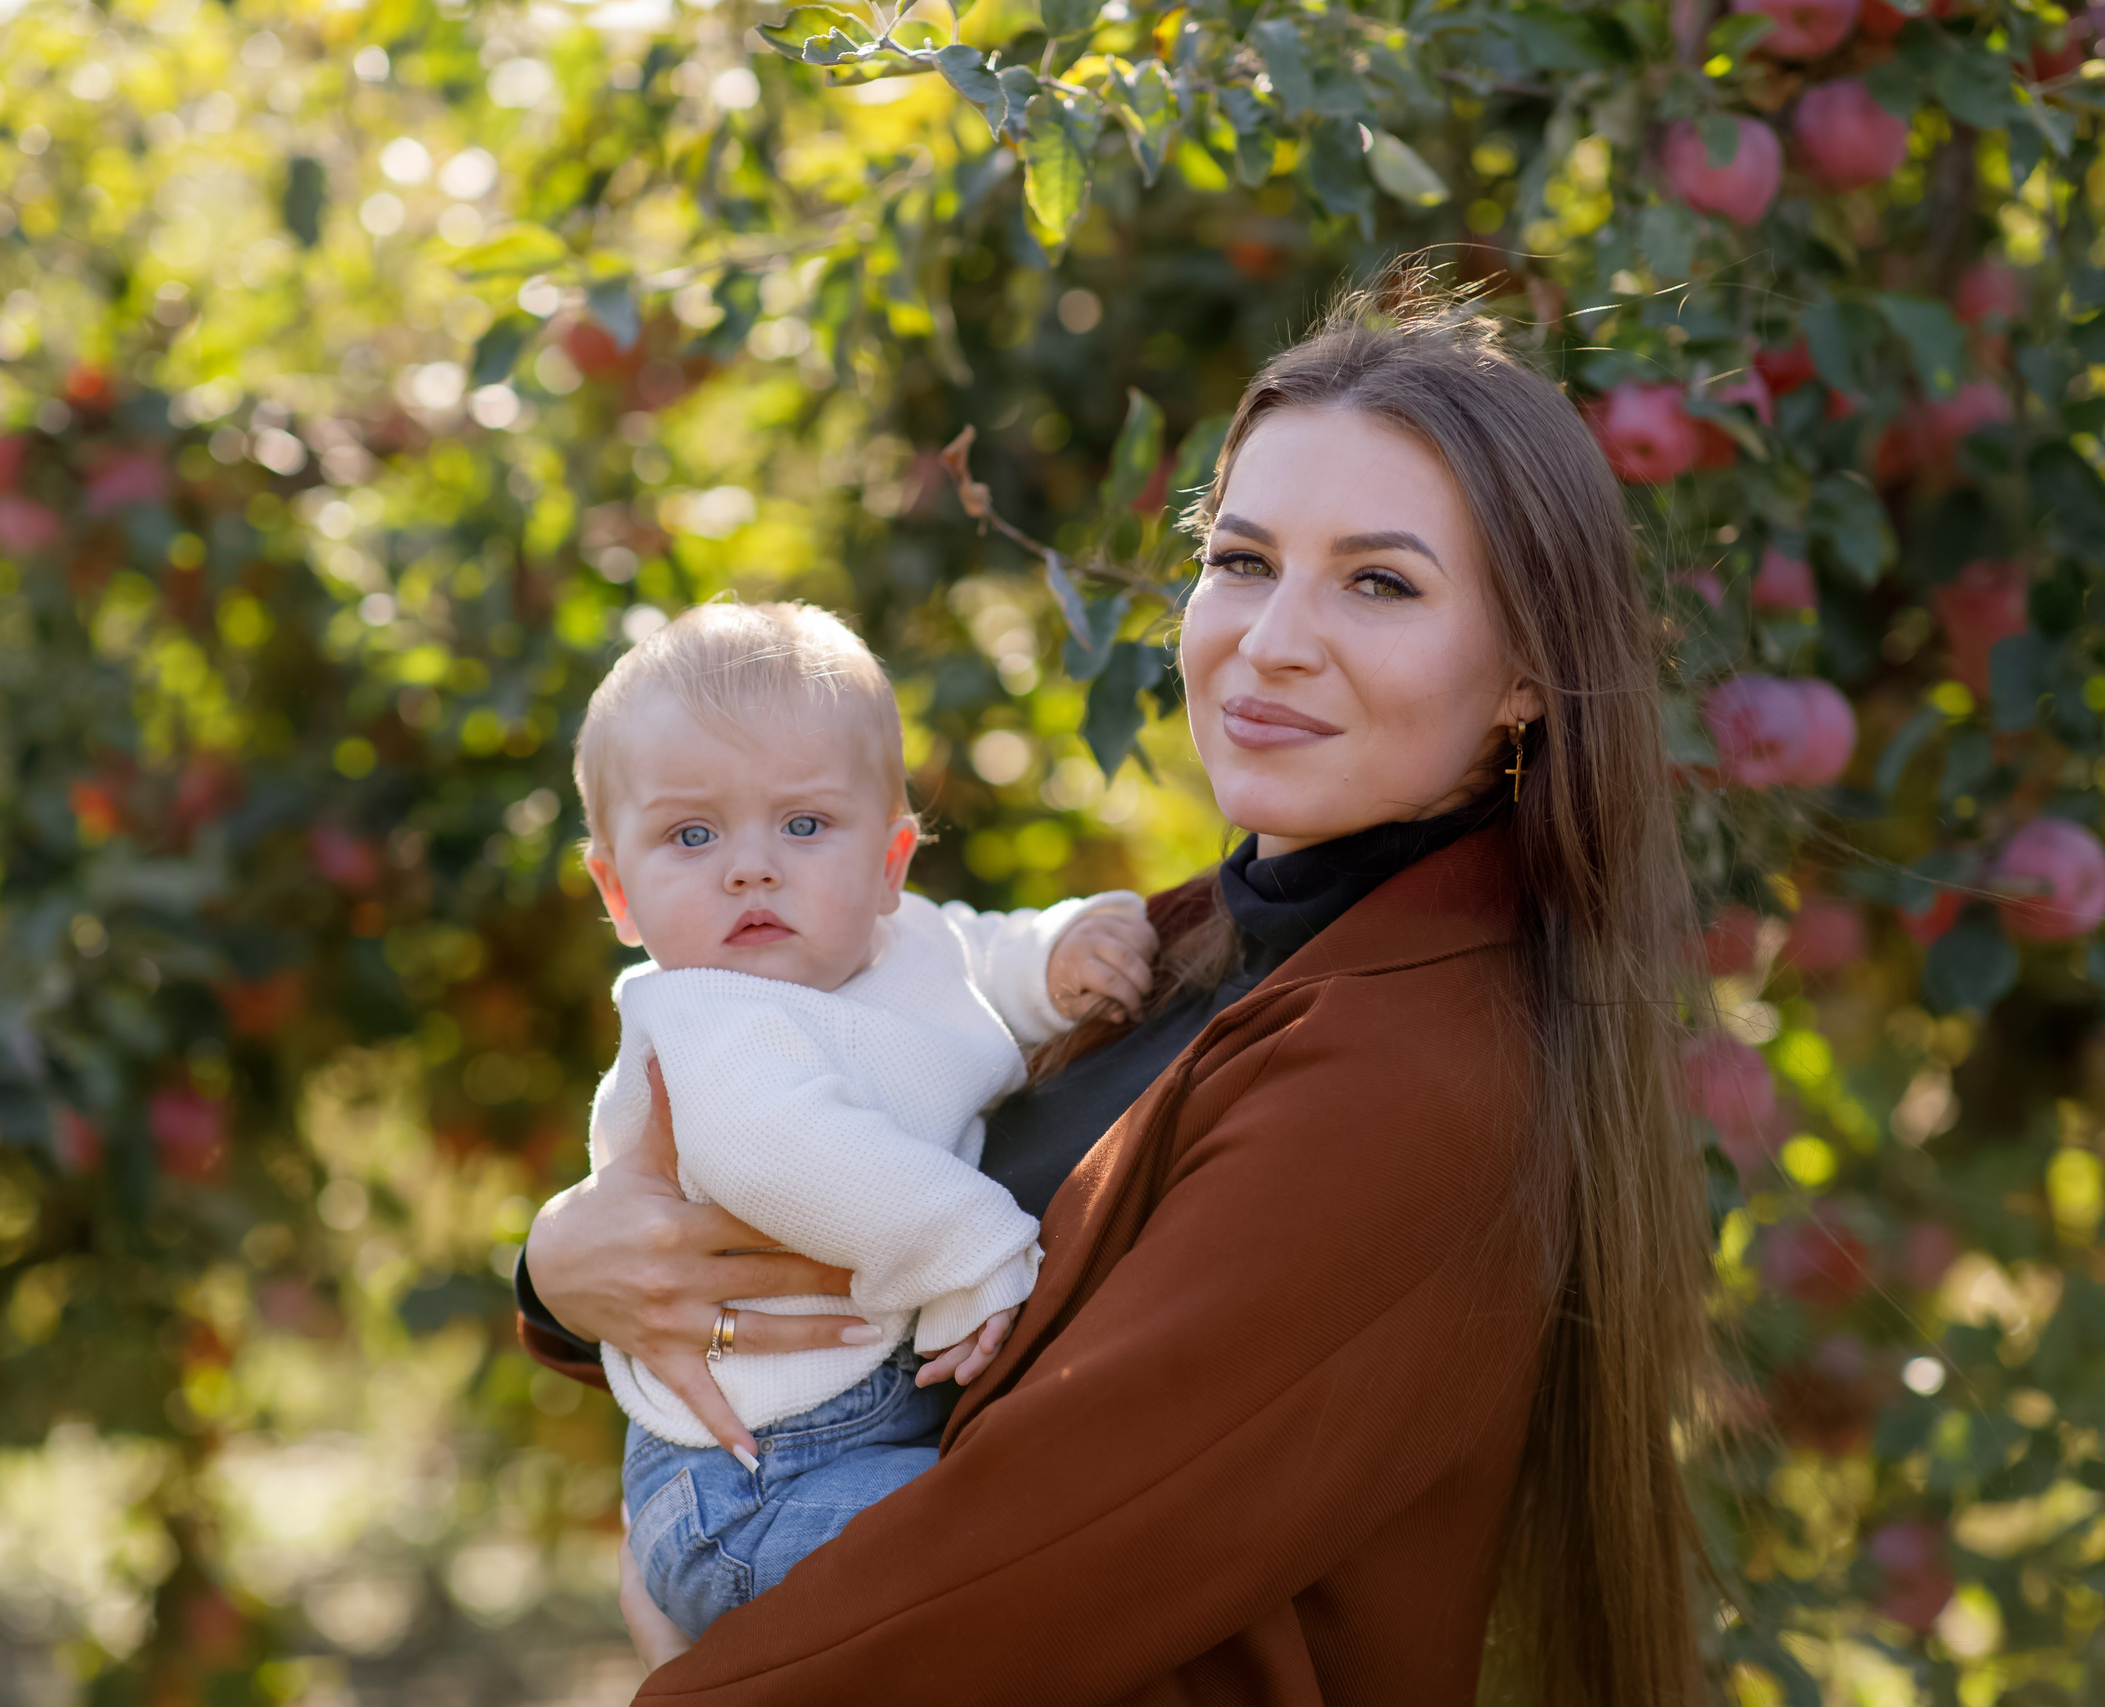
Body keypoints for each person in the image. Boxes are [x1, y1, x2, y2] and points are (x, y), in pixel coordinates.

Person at [518, 275, 1713, 1705]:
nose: (1272, 639)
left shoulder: (1411, 1071)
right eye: (1245, 559)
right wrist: (561, 1272)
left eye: (1380, 581)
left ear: (1527, 673)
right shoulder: (1197, 946)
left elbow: (1030, 1561)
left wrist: (681, 1670)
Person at [566, 600, 1158, 1639]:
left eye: (803, 825)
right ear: (618, 895)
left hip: (855, 1430)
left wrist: (1058, 956)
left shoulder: (903, 945)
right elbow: (785, 1154)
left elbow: (980, 958)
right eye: (690, 835)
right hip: (747, 1486)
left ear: (889, 865)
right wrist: (973, 1253)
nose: (750, 867)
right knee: (1013, 1566)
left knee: (1027, 1552)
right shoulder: (704, 1015)